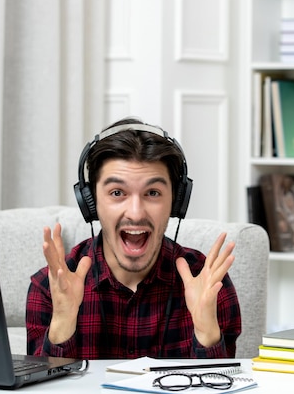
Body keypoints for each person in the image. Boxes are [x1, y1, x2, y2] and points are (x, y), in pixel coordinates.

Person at [26, 117, 241, 359]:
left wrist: (206, 333)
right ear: (91, 202)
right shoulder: (49, 287)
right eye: (117, 193)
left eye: (153, 193)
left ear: (176, 201)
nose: (136, 213)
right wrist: (63, 325)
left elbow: (220, 386)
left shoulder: (209, 282)